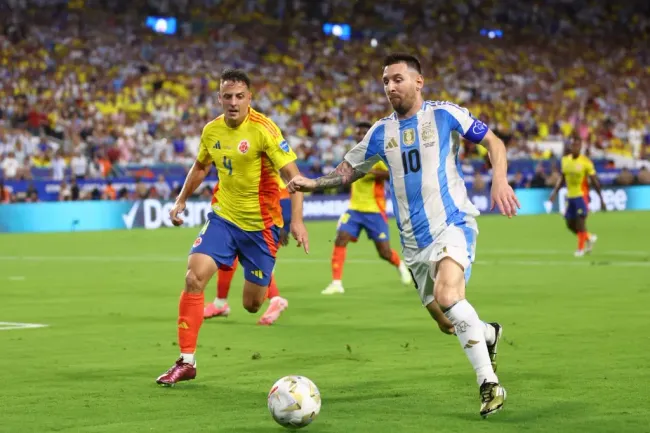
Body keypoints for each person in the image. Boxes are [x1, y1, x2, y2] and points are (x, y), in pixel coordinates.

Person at [288, 53, 519, 418]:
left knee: (448, 295)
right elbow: (349, 169)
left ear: (418, 82)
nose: (390, 87)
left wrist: (499, 179)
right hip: (413, 243)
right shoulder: (381, 132)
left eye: (397, 79)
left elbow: (495, 143)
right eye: (385, 81)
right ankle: (488, 334)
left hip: (453, 223)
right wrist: (313, 183)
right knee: (449, 321)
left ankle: (489, 384)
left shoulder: (445, 114)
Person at [156, 68, 309, 386]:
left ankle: (267, 290)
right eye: (227, 96)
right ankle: (186, 361)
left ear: (250, 98)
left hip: (261, 228)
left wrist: (296, 221)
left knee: (252, 305)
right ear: (219, 98)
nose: (233, 102)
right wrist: (181, 200)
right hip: (223, 219)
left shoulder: (264, 130)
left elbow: (293, 177)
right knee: (193, 277)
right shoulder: (211, 130)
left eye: (240, 96)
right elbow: (200, 166)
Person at [322, 121, 413, 295]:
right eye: (358, 132)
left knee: (384, 252)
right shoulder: (352, 155)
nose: (360, 135)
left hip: (374, 210)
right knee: (341, 238)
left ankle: (400, 265)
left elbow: (392, 174)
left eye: (363, 132)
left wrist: (369, 172)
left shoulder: (378, 155)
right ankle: (336, 283)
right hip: (355, 208)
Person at [203, 178, 291, 325]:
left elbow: (286, 203)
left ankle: (276, 299)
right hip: (243, 224)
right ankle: (220, 303)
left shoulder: (267, 174)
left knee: (257, 267)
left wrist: (284, 228)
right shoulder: (241, 170)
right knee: (229, 258)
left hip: (264, 229)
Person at [549, 135, 605, 256]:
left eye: (577, 145)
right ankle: (589, 237)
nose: (575, 147)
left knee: (580, 223)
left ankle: (580, 249)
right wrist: (554, 193)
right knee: (569, 224)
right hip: (570, 196)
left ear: (580, 147)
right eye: (573, 145)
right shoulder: (565, 160)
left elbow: (594, 181)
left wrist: (601, 198)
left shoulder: (585, 162)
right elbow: (562, 178)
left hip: (582, 196)